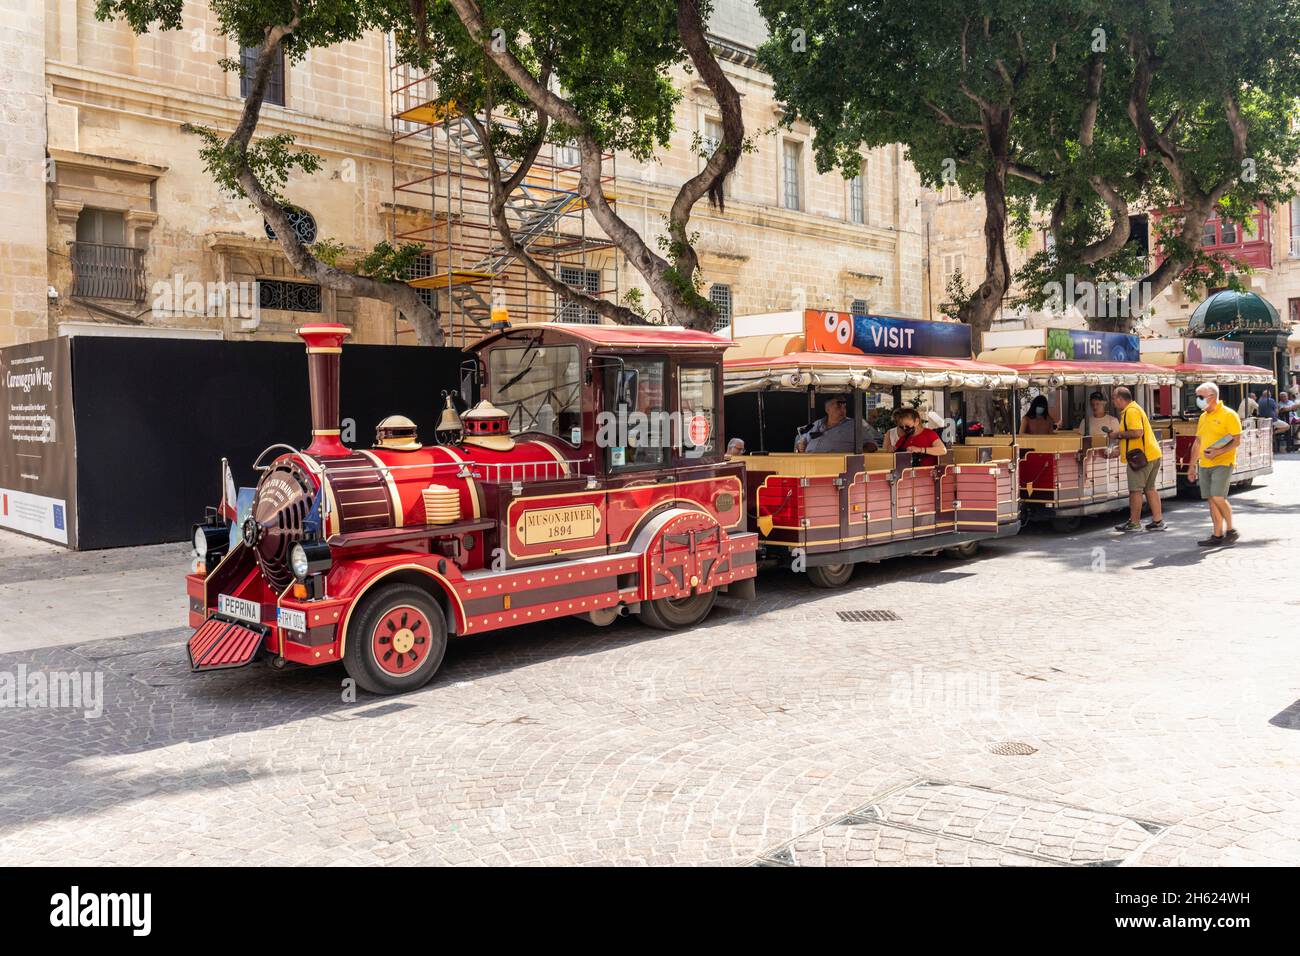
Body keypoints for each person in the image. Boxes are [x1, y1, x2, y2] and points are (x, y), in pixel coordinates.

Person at [1187, 381, 1242, 546]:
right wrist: (1191, 466)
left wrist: (1218, 452)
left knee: (1218, 497)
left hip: (1223, 462)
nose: (1198, 400)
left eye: (1200, 397)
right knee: (1211, 499)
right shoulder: (1203, 416)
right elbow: (1198, 443)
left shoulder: (1229, 414)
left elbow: (1237, 440)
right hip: (1204, 464)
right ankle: (1217, 534)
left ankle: (1231, 529)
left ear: (1212, 397)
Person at [1111, 386, 1165, 532]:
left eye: (1114, 399)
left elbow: (1137, 432)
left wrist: (1117, 435)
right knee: (1150, 488)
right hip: (1152, 454)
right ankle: (1158, 521)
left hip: (1140, 458)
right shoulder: (1135, 408)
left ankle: (1134, 523)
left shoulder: (1131, 411)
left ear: (1120, 399)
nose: (1113, 402)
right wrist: (1120, 448)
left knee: (1135, 490)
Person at [795, 394, 881, 453]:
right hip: (809, 464)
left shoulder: (855, 425)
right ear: (827, 409)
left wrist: (854, 457)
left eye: (844, 407)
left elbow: (872, 445)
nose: (842, 410)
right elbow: (803, 438)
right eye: (838, 407)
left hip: (836, 468)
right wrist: (801, 444)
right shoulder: (817, 423)